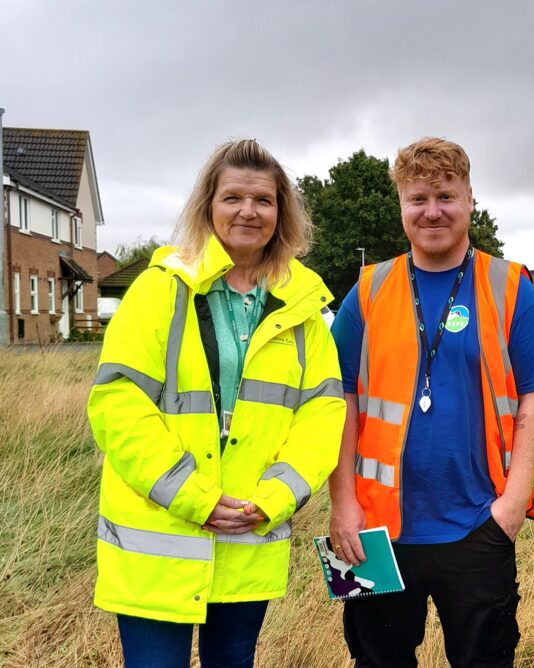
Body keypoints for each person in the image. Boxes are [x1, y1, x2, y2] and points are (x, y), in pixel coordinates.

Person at [87, 139, 346, 667]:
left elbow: (323, 414)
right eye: (233, 197)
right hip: (159, 540)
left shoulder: (304, 306)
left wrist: (277, 497)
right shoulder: (160, 289)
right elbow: (118, 403)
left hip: (249, 536)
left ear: (281, 212)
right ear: (208, 205)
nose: (248, 211)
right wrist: (191, 495)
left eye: (264, 200)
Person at [328, 137, 534, 667]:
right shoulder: (366, 290)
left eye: (446, 197)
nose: (433, 211)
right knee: (376, 661)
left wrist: (512, 507)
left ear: (470, 200)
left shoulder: (512, 288)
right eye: (418, 199)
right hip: (372, 531)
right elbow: (340, 401)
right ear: (402, 206)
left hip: (480, 523)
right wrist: (343, 505)